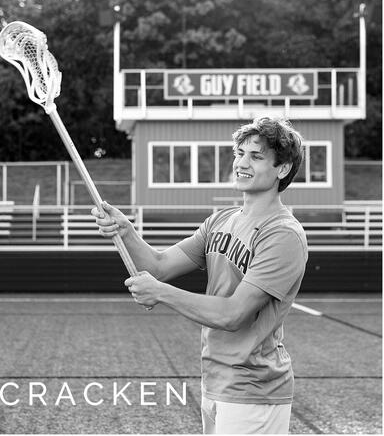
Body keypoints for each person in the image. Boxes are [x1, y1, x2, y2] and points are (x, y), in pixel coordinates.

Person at [93, 117, 308, 434]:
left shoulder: (282, 234)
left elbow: (233, 314)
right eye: (239, 153)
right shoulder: (220, 220)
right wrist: (126, 231)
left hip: (255, 391)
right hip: (215, 381)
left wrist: (161, 293)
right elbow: (159, 265)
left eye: (256, 156)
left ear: (283, 168)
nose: (241, 163)